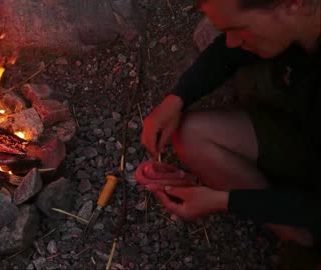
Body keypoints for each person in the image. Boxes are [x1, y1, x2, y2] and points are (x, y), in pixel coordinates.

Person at [136, 0, 321, 268]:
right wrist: (177, 99)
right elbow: (228, 53)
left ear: (293, 4)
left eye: (238, 28)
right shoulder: (295, 26)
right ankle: (298, 238)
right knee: (190, 135)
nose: (232, 42)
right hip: (304, 142)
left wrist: (223, 200)